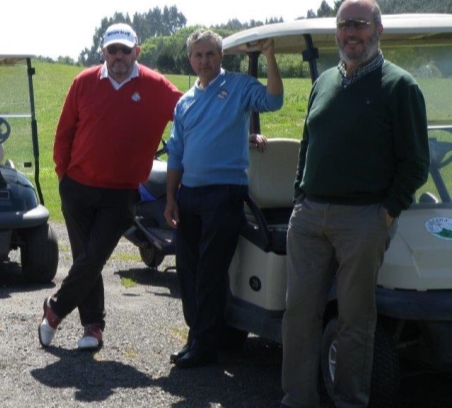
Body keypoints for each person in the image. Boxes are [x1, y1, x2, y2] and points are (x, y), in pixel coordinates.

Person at [281, 0, 429, 408]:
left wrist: (385, 214)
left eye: (360, 24)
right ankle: (297, 398)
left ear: (378, 31)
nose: (351, 32)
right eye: (345, 24)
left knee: (355, 322)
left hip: (363, 220)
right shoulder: (323, 82)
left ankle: (350, 401)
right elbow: (308, 144)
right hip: (310, 216)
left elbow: (415, 162)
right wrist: (299, 197)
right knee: (298, 315)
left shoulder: (400, 86)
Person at [39, 23, 183, 351]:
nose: (119, 56)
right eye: (112, 50)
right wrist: (63, 177)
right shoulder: (84, 82)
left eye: (125, 50)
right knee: (84, 257)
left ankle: (55, 309)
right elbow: (64, 134)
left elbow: (192, 112)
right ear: (103, 52)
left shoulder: (156, 85)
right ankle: (93, 327)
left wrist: (239, 130)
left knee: (94, 257)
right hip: (77, 187)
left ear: (137, 51)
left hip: (121, 191)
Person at [164, 28, 283, 369]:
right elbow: (176, 153)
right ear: (190, 59)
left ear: (221, 56)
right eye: (198, 55)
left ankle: (204, 343)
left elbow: (274, 100)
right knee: (187, 268)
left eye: (211, 54)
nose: (204, 61)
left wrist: (271, 56)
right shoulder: (184, 102)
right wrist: (171, 197)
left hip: (224, 193)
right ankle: (198, 335)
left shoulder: (239, 87)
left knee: (211, 271)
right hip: (190, 195)